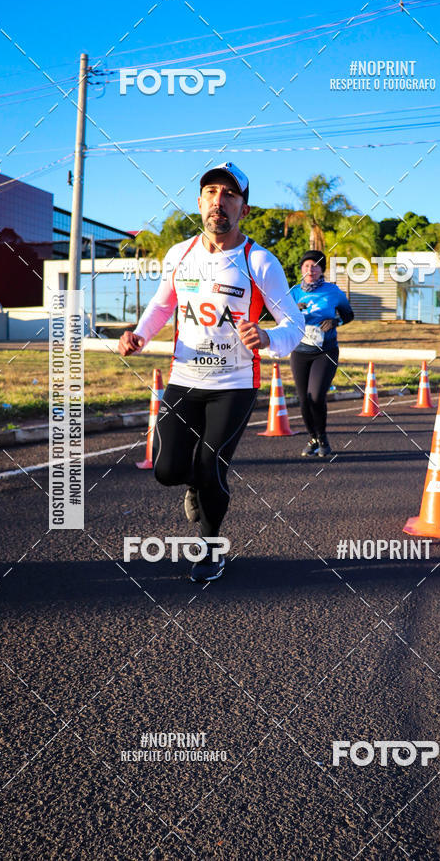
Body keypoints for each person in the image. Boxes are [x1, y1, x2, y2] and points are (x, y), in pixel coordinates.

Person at [119, 162, 304, 582]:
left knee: (210, 465)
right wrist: (140, 335)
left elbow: (295, 325)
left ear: (244, 209)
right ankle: (194, 487)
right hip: (184, 379)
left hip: (234, 384)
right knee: (166, 470)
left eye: (229, 195)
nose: (218, 201)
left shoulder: (260, 262)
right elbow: (163, 304)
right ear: (199, 202)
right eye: (211, 193)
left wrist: (267, 337)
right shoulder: (179, 254)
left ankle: (209, 549)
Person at [290, 250, 354, 457]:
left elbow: (349, 315)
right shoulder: (293, 292)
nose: (311, 269)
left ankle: (323, 437)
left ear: (321, 270)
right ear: (301, 269)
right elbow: (280, 317)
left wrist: (336, 321)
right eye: (307, 266)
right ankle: (313, 439)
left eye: (315, 266)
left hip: (325, 351)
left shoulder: (333, 291)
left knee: (316, 396)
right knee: (304, 399)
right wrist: (292, 310)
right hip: (300, 351)